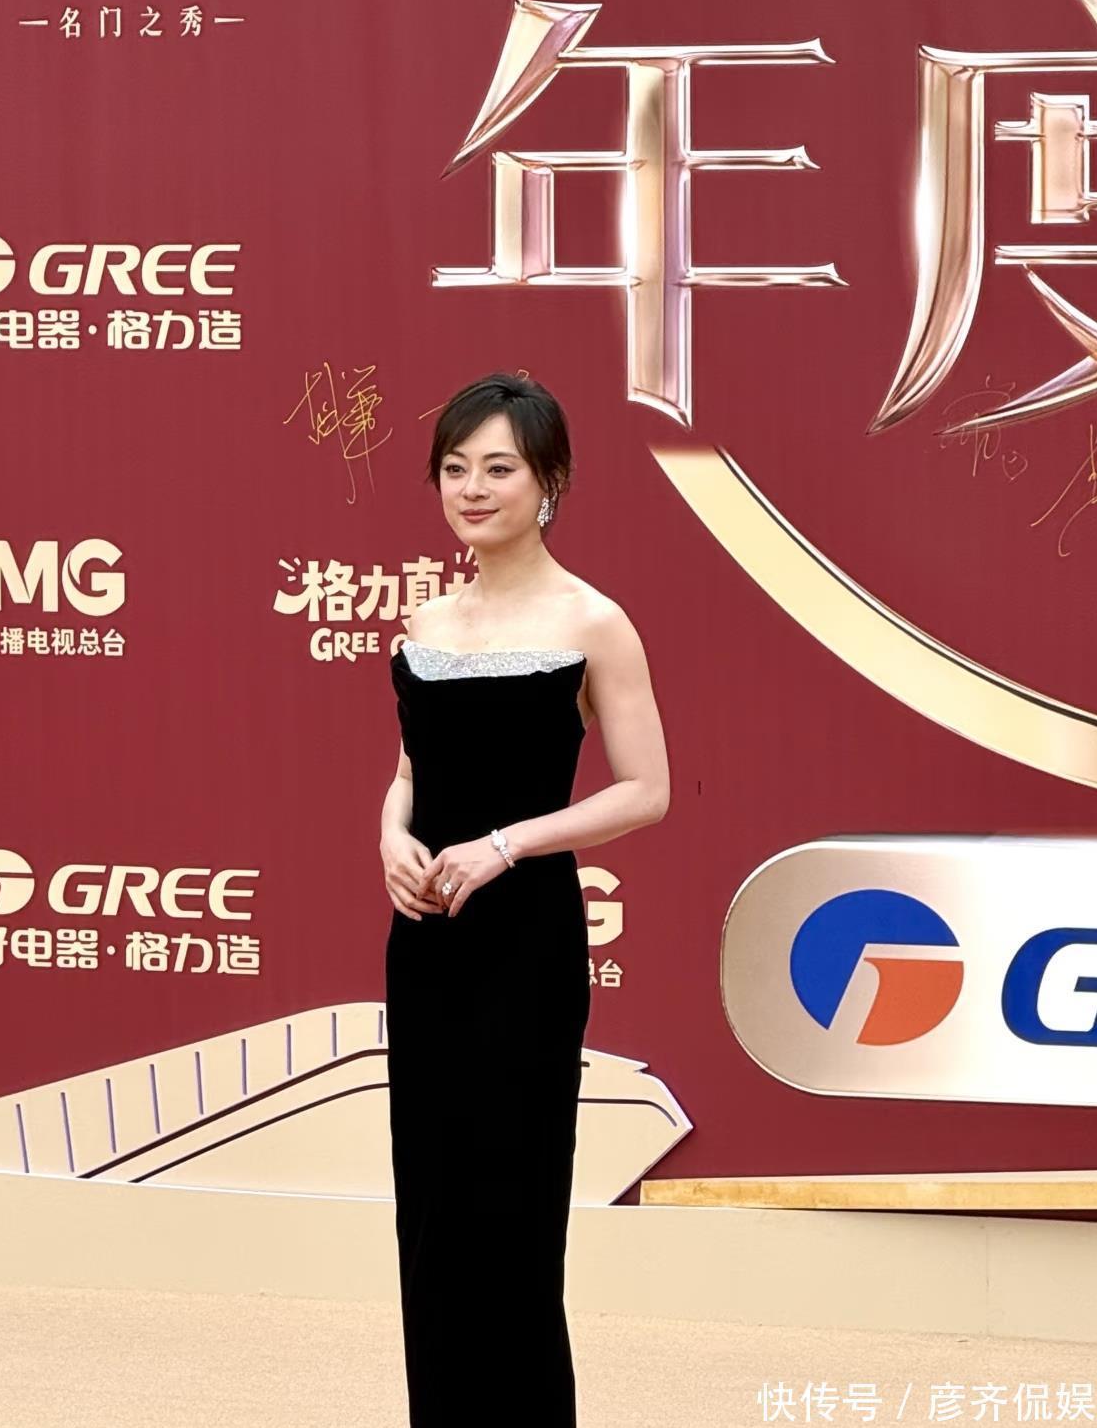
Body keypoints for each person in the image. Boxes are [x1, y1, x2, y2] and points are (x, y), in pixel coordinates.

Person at [380, 371, 672, 1427]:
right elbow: (411, 769)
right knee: (432, 1209)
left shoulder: (594, 622)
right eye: (455, 467)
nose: (472, 488)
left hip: (526, 948)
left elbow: (647, 789)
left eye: (498, 467)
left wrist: (508, 844)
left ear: (548, 481)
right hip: (426, 941)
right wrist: (389, 837)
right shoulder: (426, 616)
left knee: (512, 1207)